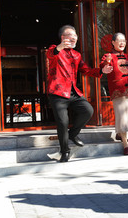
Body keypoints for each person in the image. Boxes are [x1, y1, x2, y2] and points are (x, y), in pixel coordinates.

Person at [47, 25, 113, 162]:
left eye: (75, 35)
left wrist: (102, 71)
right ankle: (65, 151)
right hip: (58, 92)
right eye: (70, 35)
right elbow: (51, 53)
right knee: (63, 122)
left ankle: (73, 134)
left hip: (73, 92)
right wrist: (59, 47)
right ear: (63, 38)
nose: (74, 38)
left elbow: (87, 70)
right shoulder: (55, 50)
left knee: (88, 110)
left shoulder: (77, 55)